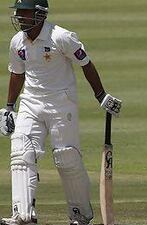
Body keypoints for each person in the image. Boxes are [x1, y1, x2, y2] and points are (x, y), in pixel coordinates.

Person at [0, 0, 121, 224]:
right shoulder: (17, 41)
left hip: (61, 103)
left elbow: (86, 63)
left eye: (24, 12)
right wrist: (8, 107)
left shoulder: (61, 37)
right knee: (20, 151)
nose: (19, 16)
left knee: (66, 157)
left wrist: (101, 95)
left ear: (40, 14)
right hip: (30, 102)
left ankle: (80, 215)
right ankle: (23, 214)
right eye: (18, 12)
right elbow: (17, 74)